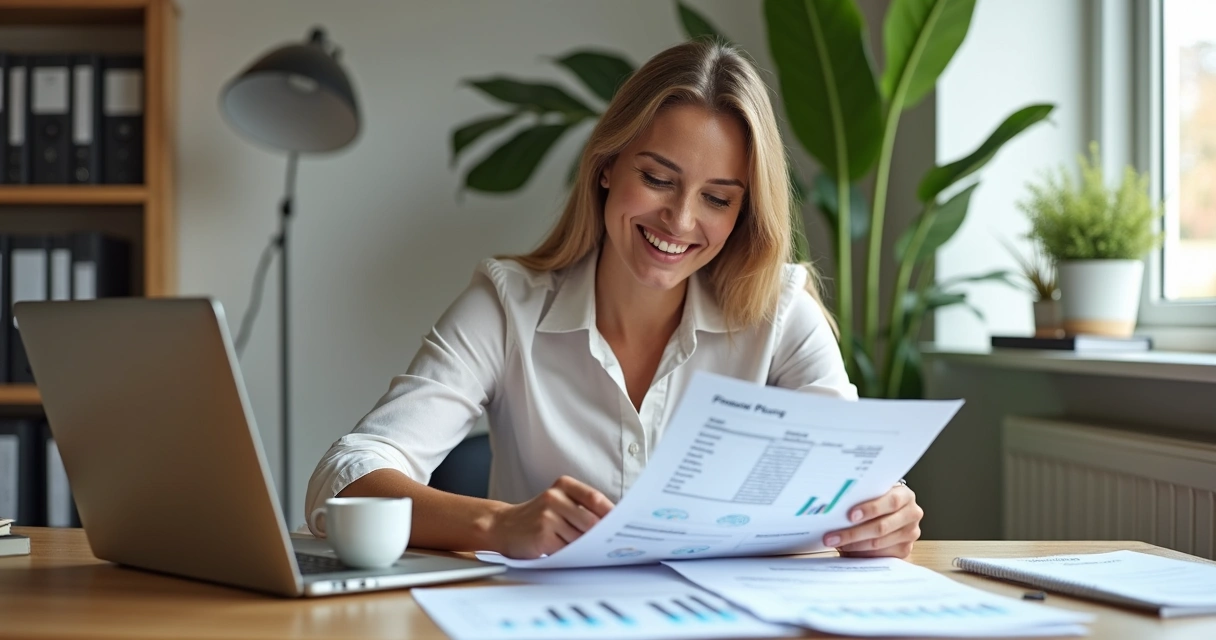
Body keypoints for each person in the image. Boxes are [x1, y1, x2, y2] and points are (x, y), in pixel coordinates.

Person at [305, 39, 923, 560]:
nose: (679, 220)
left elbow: (853, 474)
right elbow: (346, 475)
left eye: (718, 198)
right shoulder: (506, 304)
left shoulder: (782, 309)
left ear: (744, 211)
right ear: (607, 166)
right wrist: (499, 524)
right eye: (657, 179)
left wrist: (882, 515)